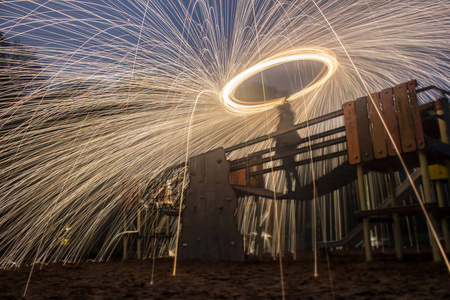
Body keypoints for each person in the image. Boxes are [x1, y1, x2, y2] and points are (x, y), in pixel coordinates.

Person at [274, 101, 301, 194]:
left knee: (288, 165)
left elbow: (284, 129)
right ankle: (294, 187)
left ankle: (293, 188)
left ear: (282, 109)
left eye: (279, 109)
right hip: (287, 143)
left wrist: (280, 140)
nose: (278, 111)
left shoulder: (286, 117)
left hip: (287, 144)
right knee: (288, 165)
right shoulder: (286, 117)